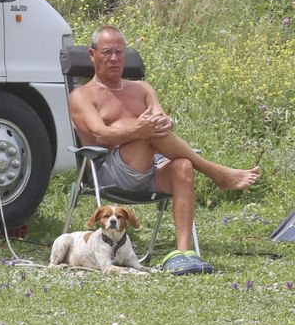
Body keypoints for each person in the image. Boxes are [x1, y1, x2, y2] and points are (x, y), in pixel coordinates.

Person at [67, 25, 260, 275]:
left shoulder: (142, 89)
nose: (114, 58)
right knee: (148, 135)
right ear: (92, 55)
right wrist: (140, 129)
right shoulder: (81, 95)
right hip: (108, 170)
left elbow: (161, 120)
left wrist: (165, 123)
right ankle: (217, 173)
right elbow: (101, 133)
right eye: (106, 52)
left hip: (152, 168)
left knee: (183, 166)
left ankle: (184, 253)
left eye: (119, 51)